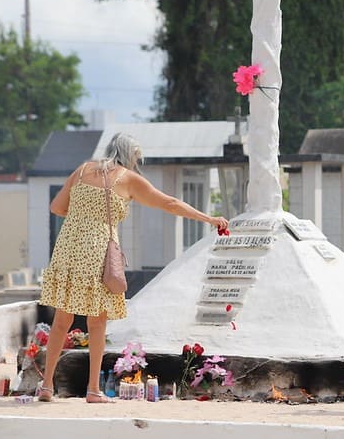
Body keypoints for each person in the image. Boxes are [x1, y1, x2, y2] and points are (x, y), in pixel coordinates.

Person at [37, 133, 229, 403]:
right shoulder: (126, 178)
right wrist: (208, 218)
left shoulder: (82, 170)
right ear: (130, 156)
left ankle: (46, 386)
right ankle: (93, 389)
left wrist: (84, 217)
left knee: (61, 321)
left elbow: (57, 207)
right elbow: (169, 203)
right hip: (99, 251)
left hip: (68, 246)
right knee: (97, 322)